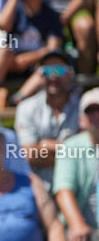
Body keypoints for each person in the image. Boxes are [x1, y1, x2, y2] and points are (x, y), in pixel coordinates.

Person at [13, 50, 81, 190]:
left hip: (77, 189)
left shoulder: (83, 107)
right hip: (38, 190)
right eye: (47, 71)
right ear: (39, 75)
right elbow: (29, 154)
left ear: (69, 74)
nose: (54, 76)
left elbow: (91, 150)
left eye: (60, 70)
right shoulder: (26, 108)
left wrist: (48, 146)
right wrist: (71, 153)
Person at [52, 87, 99, 241]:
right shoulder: (71, 146)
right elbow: (63, 190)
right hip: (86, 231)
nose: (98, 115)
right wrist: (77, 224)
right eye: (91, 110)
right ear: (81, 120)